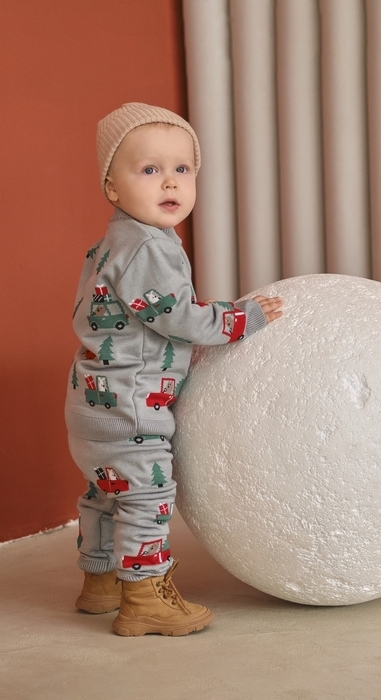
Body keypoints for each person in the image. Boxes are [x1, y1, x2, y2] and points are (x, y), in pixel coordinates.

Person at [66, 102, 283, 636]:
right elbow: (178, 319)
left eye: (182, 169)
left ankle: (101, 583)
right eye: (149, 169)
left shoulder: (111, 243)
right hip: (132, 412)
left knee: (105, 493)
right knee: (146, 498)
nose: (170, 182)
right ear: (112, 188)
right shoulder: (147, 246)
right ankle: (144, 599)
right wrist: (241, 317)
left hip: (91, 407)